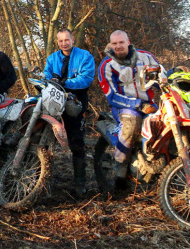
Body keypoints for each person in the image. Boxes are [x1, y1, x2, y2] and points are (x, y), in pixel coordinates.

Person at [97, 30, 165, 191]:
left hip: (150, 104)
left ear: (128, 42)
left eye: (121, 42)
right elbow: (111, 96)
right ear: (110, 45)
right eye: (114, 43)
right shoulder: (106, 66)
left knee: (164, 123)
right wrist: (137, 104)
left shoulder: (146, 57)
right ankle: (119, 169)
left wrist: (176, 76)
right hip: (124, 107)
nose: (118, 46)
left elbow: (162, 76)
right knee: (132, 123)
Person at [44, 28, 95, 199]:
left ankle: (80, 183)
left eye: (67, 40)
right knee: (44, 138)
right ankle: (41, 179)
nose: (64, 43)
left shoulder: (84, 56)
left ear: (73, 40)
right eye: (60, 41)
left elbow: (86, 78)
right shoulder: (52, 58)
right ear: (57, 42)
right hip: (53, 101)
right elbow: (46, 76)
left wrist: (64, 82)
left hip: (75, 102)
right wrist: (47, 81)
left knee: (76, 142)